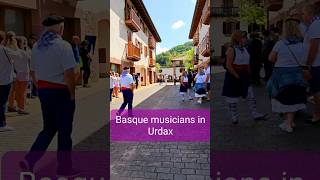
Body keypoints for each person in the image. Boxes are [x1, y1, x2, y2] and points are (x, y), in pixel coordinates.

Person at [20, 15, 79, 177]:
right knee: (64, 132)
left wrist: (40, 88)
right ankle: (64, 168)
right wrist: (72, 94)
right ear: (60, 28)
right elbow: (69, 74)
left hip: (45, 91)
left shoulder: (38, 46)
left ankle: (30, 160)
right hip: (61, 92)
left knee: (48, 128)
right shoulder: (64, 46)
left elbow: (32, 71)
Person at [267, 18, 308, 133]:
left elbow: (270, 58)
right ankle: (289, 121)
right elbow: (304, 61)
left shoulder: (280, 44)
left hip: (281, 74)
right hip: (297, 74)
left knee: (282, 98)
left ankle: (288, 123)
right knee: (294, 98)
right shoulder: (302, 44)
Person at [222, 30, 266, 124]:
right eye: (244, 37)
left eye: (245, 37)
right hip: (234, 75)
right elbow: (228, 65)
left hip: (244, 74)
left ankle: (255, 113)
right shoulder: (231, 49)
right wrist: (236, 75)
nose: (246, 39)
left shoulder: (245, 49)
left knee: (251, 95)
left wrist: (249, 73)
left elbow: (247, 62)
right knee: (232, 96)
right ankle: (234, 116)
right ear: (238, 38)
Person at [301, 5, 320, 124]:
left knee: (317, 92)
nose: (302, 17)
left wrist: (307, 66)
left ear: (309, 13)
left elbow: (314, 47)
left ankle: (317, 115)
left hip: (316, 65)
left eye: (303, 13)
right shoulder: (314, 25)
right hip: (316, 64)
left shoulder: (315, 25)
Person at [8, 36, 30, 115]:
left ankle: (17, 106)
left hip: (16, 74)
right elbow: (29, 58)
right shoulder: (23, 52)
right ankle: (21, 108)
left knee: (18, 92)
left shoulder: (12, 52)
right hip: (24, 74)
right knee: (22, 92)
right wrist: (25, 47)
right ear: (20, 43)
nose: (24, 43)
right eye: (23, 42)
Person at [0, 31, 16, 131]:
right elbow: (19, 56)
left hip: (4, 80)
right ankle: (2, 124)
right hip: (4, 80)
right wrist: (14, 44)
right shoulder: (5, 50)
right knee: (2, 103)